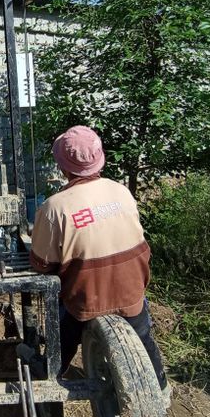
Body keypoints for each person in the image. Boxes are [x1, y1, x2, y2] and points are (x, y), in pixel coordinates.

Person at [29, 124, 169, 401]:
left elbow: (42, 264)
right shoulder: (121, 192)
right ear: (99, 157)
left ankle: (50, 368)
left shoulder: (54, 208)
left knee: (63, 323)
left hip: (85, 300)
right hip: (132, 290)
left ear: (62, 167)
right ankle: (161, 389)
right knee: (143, 335)